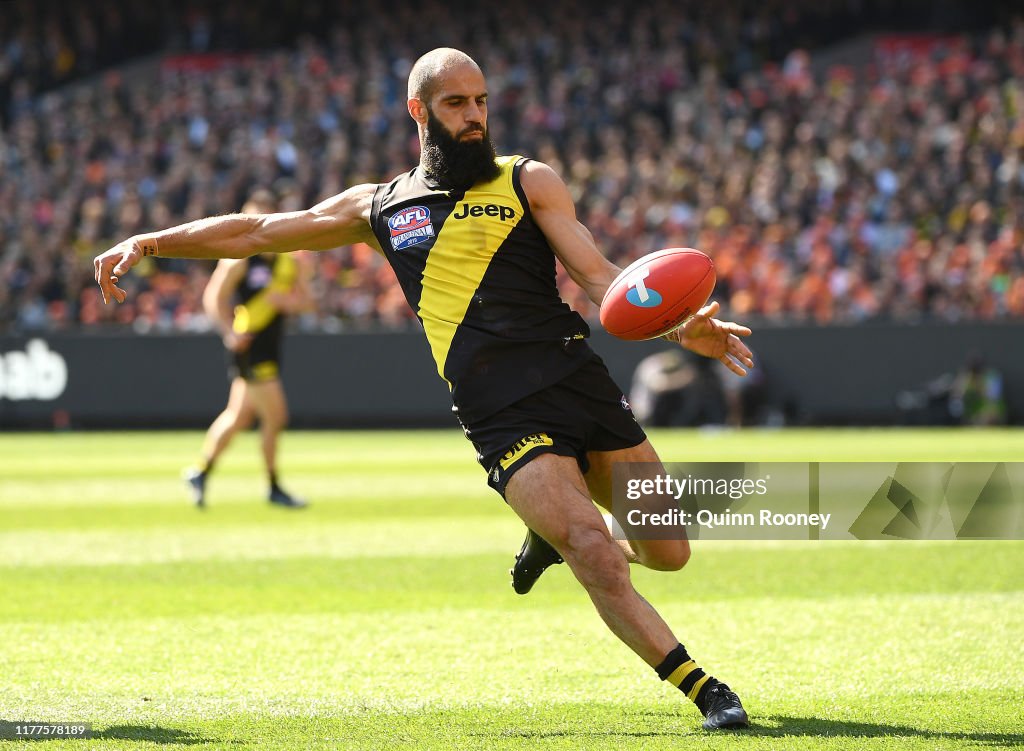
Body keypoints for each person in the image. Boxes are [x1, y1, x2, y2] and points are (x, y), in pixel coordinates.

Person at [94, 48, 754, 730]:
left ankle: (547, 533)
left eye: (481, 102)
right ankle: (707, 690)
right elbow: (256, 231)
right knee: (592, 546)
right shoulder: (380, 205)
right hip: (499, 408)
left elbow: (599, 279)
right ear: (419, 111)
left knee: (668, 550)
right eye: (455, 104)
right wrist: (149, 242)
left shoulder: (528, 180)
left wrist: (677, 328)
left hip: (576, 379)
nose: (474, 117)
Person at [183, 189, 313, 509]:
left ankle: (200, 472)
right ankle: (272, 485)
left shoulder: (288, 258)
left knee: (238, 417)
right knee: (276, 416)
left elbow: (308, 303)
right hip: (250, 344)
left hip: (270, 344)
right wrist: (228, 331)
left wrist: (290, 301)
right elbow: (213, 297)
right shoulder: (238, 259)